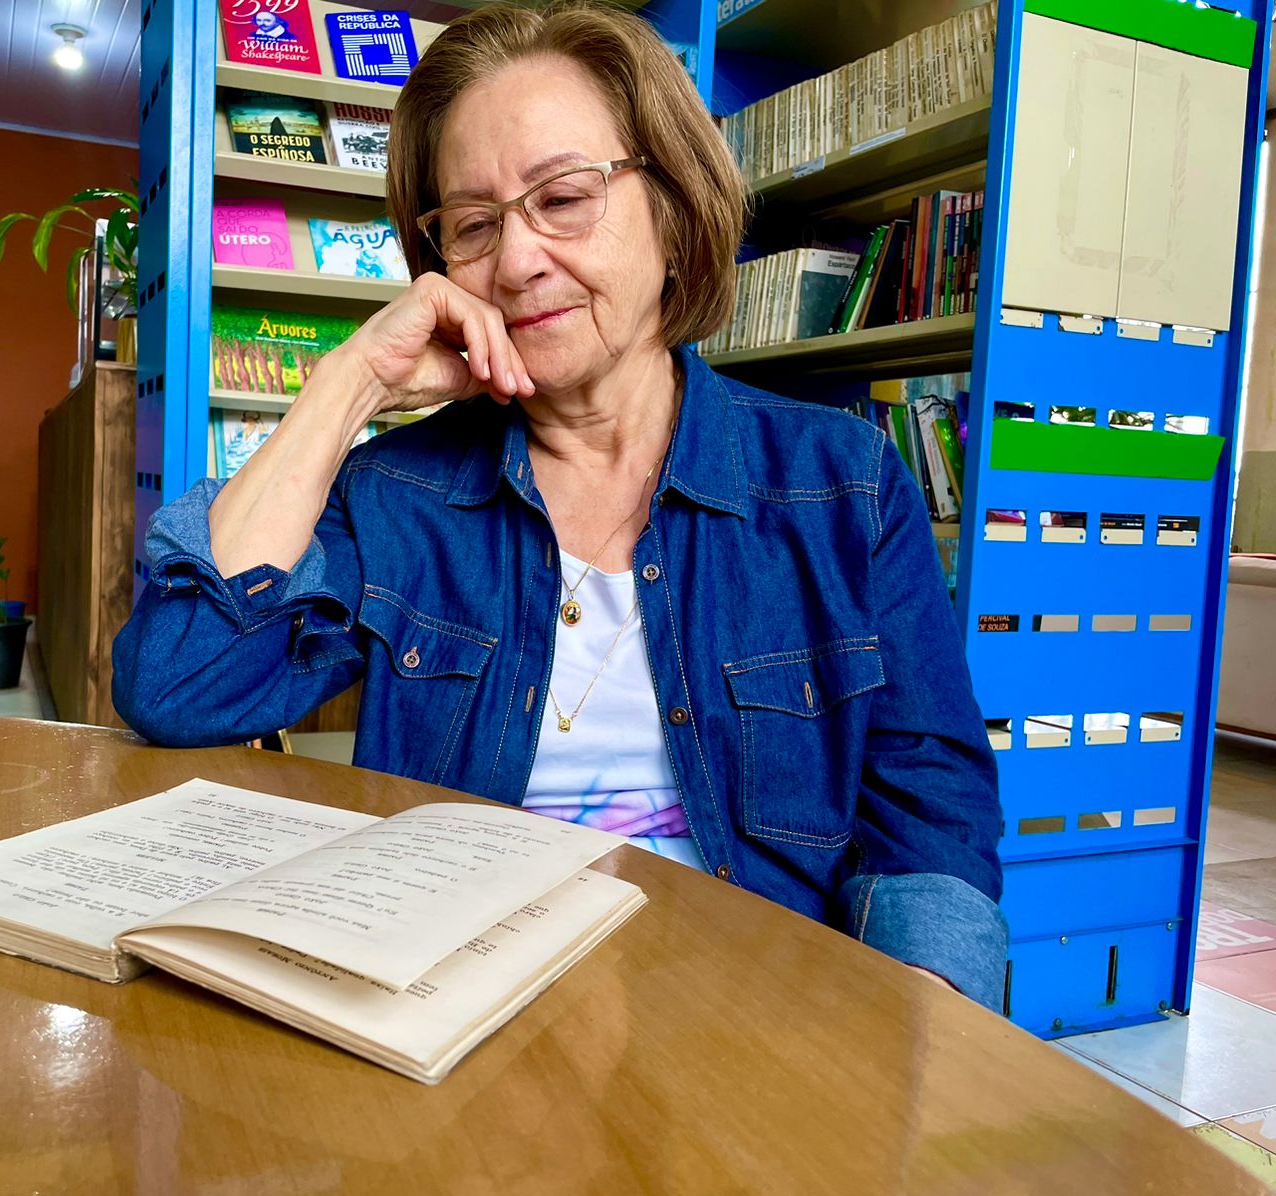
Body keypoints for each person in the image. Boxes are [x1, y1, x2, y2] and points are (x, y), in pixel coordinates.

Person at [113, 0, 1009, 1009]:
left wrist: (922, 1051)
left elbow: (929, 811)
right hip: (450, 1015)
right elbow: (180, 689)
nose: (519, 259)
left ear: (670, 209)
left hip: (750, 1017)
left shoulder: (841, 483)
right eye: (474, 224)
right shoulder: (399, 491)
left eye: (564, 198)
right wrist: (349, 384)